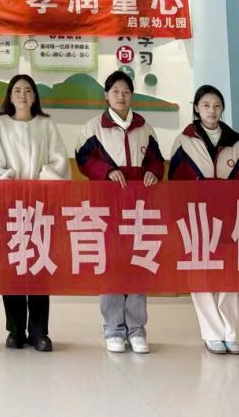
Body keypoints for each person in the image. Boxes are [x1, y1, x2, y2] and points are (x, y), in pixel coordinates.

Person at [76, 71, 163, 355]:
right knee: (113, 265)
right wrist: (107, 171)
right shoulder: (93, 128)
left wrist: (153, 172)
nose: (121, 97)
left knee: (137, 263)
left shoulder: (144, 127)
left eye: (126, 92)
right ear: (106, 95)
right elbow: (83, 159)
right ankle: (113, 328)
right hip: (107, 208)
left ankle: (137, 329)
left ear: (132, 95)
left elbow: (155, 159)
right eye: (115, 91)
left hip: (138, 208)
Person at [168, 84, 239, 355]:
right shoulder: (184, 140)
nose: (212, 110)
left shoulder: (237, 141)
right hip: (197, 217)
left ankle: (230, 333)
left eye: (217, 106)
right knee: (202, 274)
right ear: (196, 108)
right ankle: (211, 333)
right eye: (206, 105)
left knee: (229, 275)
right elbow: (175, 183)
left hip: (229, 217)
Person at [0, 74, 69, 352]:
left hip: (40, 206)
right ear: (10, 96)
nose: (22, 95)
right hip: (9, 205)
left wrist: (38, 183)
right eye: (17, 90)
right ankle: (15, 329)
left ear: (35, 96)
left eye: (28, 90)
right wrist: (11, 183)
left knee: (39, 266)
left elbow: (59, 162)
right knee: (11, 267)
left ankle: (39, 331)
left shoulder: (47, 125)